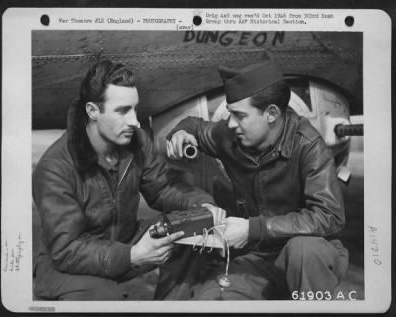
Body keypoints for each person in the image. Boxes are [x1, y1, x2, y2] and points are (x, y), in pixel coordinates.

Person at [32, 60, 225, 300]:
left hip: (127, 242)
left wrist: (202, 206)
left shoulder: (136, 141)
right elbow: (67, 249)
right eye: (122, 110)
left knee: (194, 232)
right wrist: (132, 255)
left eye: (135, 109)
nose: (134, 121)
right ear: (92, 111)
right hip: (68, 264)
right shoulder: (55, 167)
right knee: (103, 297)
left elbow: (163, 188)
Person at [165, 59, 349, 300]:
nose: (231, 124)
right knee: (210, 300)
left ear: (271, 113)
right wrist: (181, 132)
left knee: (303, 249)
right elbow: (196, 127)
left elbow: (330, 216)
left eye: (240, 116)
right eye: (230, 114)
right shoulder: (231, 136)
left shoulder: (309, 146)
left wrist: (252, 229)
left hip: (309, 258)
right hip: (261, 257)